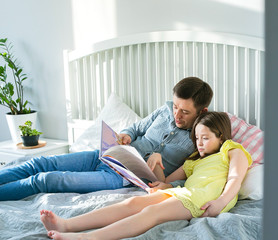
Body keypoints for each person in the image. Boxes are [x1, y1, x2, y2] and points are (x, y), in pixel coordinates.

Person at [40, 111, 252, 240]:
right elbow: (165, 182)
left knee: (151, 212)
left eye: (205, 138)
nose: (199, 143)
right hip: (185, 193)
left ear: (221, 136)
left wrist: (220, 202)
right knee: (132, 202)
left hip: (205, 200)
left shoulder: (232, 150)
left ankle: (88, 237)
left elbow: (235, 178)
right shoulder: (194, 160)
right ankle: (67, 224)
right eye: (197, 138)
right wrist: (156, 159)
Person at [0, 77, 213, 201]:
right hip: (106, 155)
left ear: (201, 112)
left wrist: (169, 185)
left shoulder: (202, 139)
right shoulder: (165, 110)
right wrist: (126, 135)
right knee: (41, 163)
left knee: (46, 179)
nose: (176, 115)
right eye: (175, 107)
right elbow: (137, 128)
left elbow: (192, 176)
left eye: (184, 112)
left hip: (122, 178)